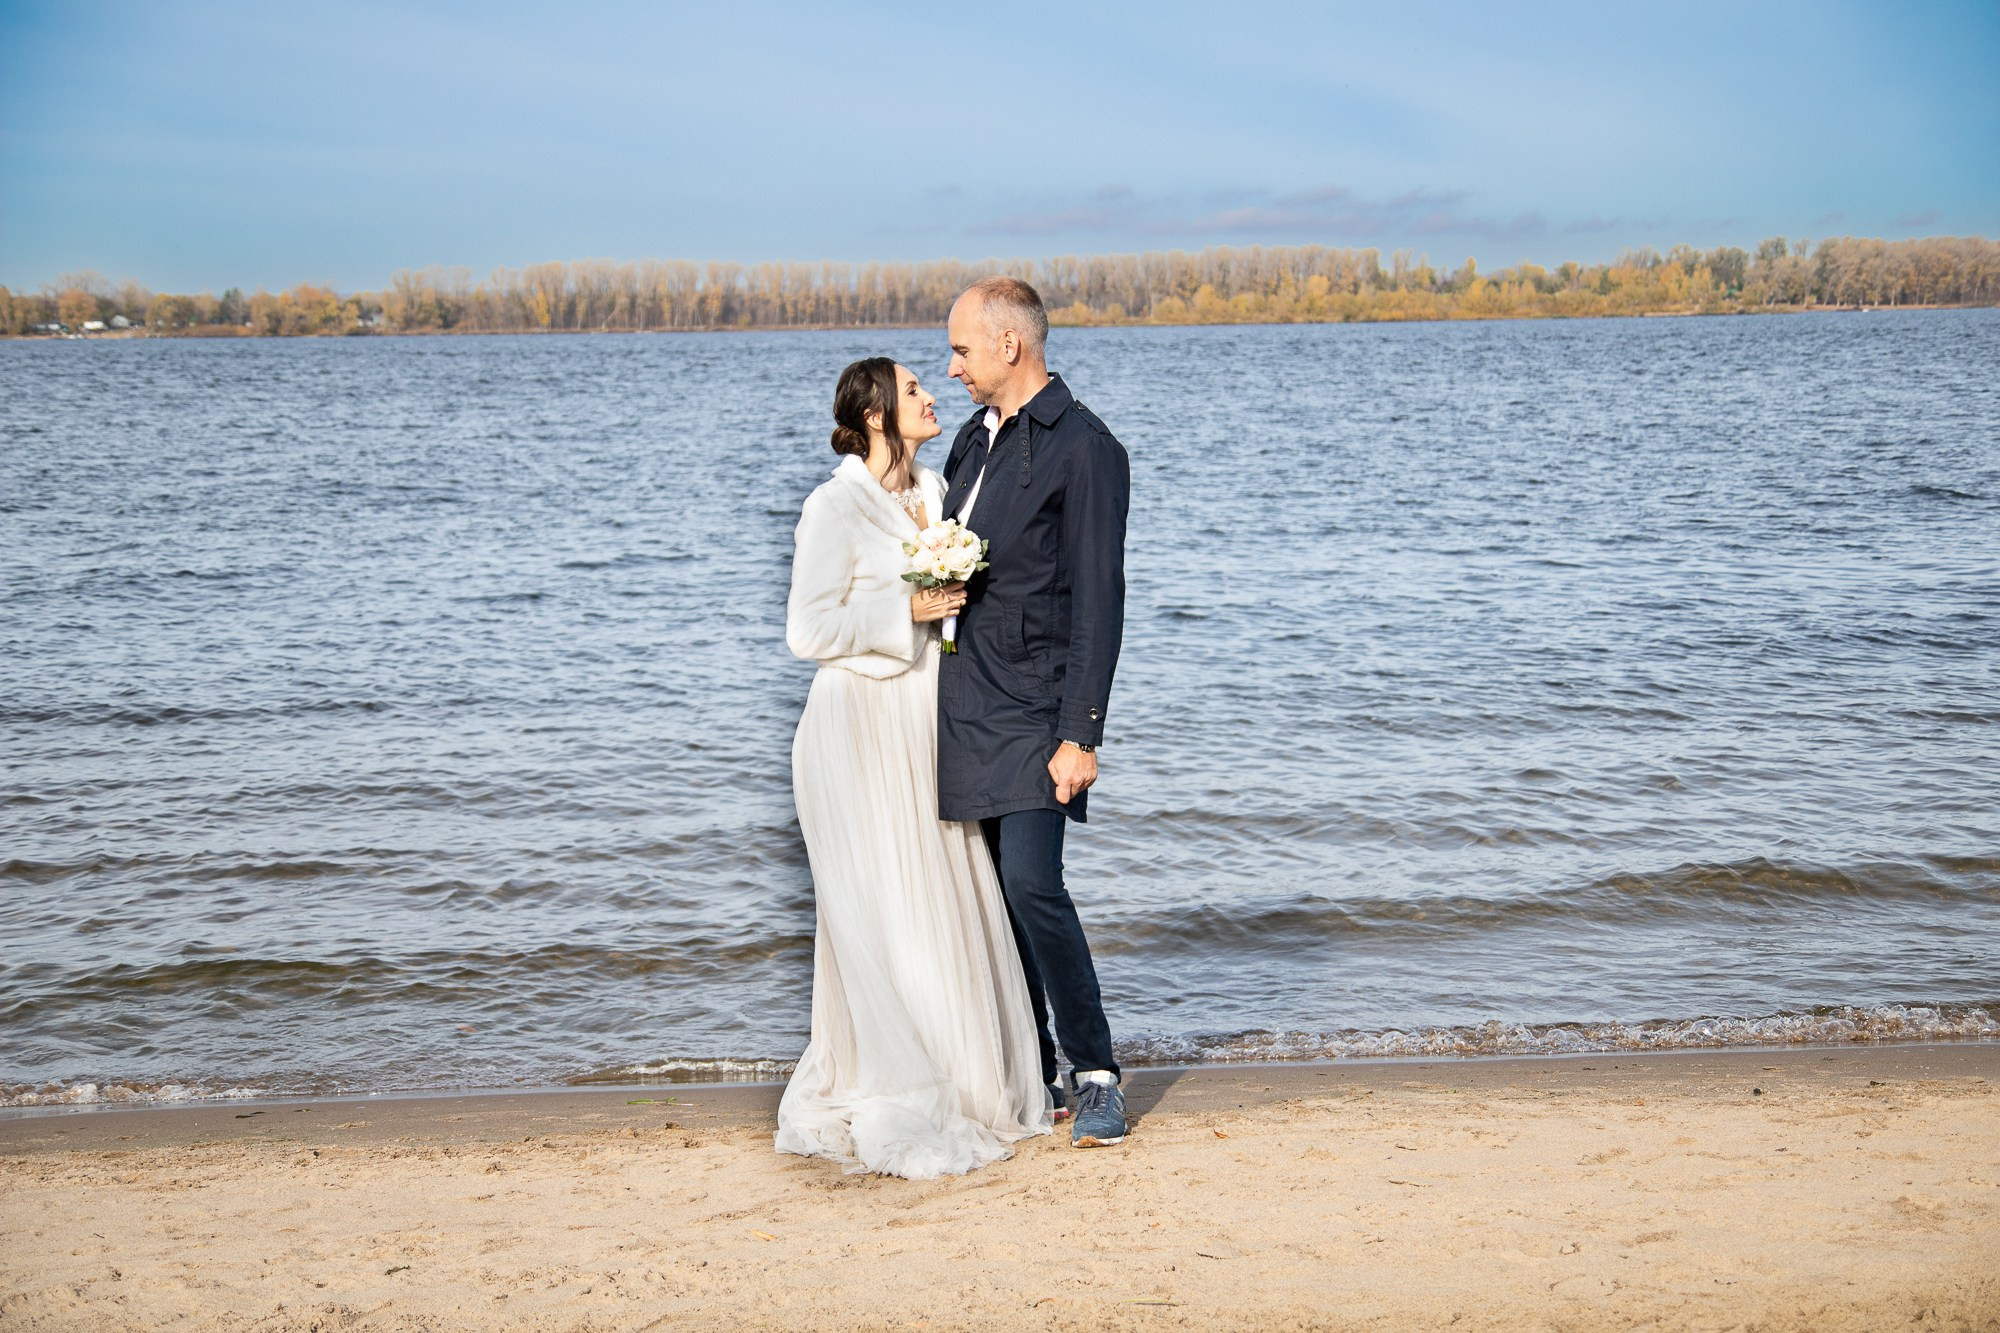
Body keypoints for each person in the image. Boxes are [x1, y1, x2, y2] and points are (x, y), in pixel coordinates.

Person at [774, 356, 1052, 1179]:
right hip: (855, 726)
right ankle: (888, 1076)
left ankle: (968, 1076)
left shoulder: (935, 495)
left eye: (930, 387)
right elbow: (807, 629)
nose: (931, 397)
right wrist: (907, 609)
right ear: (873, 417)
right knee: (881, 902)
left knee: (941, 888)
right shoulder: (832, 506)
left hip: (926, 718)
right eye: (912, 392)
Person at [938, 277, 1132, 1147]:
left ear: (1009, 345)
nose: (953, 369)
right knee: (996, 898)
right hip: (961, 700)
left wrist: (1080, 732)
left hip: (1036, 705)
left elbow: (1100, 600)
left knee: (1033, 883)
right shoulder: (971, 447)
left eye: (963, 350)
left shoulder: (1086, 448)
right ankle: (1037, 1064)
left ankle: (1096, 1072)